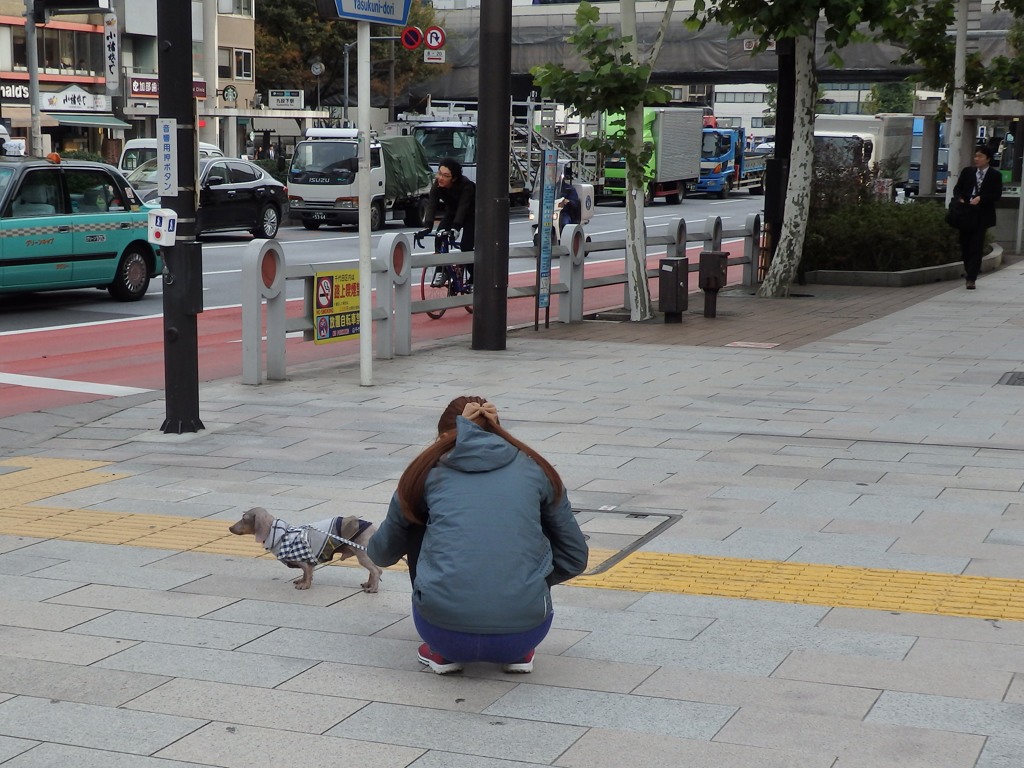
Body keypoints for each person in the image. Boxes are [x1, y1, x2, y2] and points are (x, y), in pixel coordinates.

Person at [368, 395, 589, 675]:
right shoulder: (536, 469)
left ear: (442, 435)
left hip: (442, 632)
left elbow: (382, 554)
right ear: (497, 428)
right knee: (528, 519)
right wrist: (528, 582)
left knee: (422, 522)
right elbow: (575, 557)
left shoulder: (424, 473)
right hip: (526, 632)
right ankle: (518, 653)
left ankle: (443, 653)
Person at [417, 158, 477, 283]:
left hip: (471, 214)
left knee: (466, 246)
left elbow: (463, 207)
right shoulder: (437, 184)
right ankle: (442, 270)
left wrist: (456, 228)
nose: (440, 178)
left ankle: (475, 277)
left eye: (446, 175)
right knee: (440, 236)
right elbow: (432, 205)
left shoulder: (466, 185)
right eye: (439, 173)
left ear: (454, 178)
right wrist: (427, 227)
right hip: (451, 212)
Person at [952, 145, 1002, 290]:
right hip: (965, 213)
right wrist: (960, 198)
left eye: (980, 156)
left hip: (982, 215)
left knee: (976, 246)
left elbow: (996, 195)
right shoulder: (968, 172)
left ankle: (971, 278)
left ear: (988, 159)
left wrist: (981, 198)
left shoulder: (994, 175)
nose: (977, 159)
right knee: (965, 245)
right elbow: (958, 188)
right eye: (976, 156)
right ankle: (969, 269)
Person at [556, 163, 581, 235]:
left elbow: (575, 203)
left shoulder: (569, 188)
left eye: (557, 174)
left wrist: (568, 201)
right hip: (548, 213)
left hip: (563, 213)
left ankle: (563, 239)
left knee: (564, 223)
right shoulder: (548, 188)